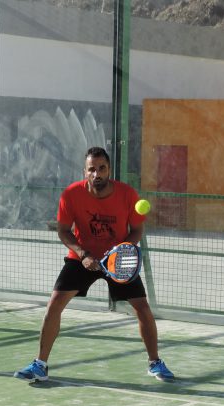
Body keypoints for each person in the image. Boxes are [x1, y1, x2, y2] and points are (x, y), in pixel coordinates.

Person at [14, 147, 174, 383]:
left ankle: (155, 363)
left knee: (142, 307)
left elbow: (137, 229)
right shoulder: (71, 195)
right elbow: (64, 231)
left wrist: (121, 252)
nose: (97, 173)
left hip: (117, 259)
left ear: (109, 170)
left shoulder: (128, 194)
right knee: (54, 304)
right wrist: (83, 254)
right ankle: (40, 364)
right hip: (81, 257)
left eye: (102, 168)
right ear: (85, 171)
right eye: (92, 169)